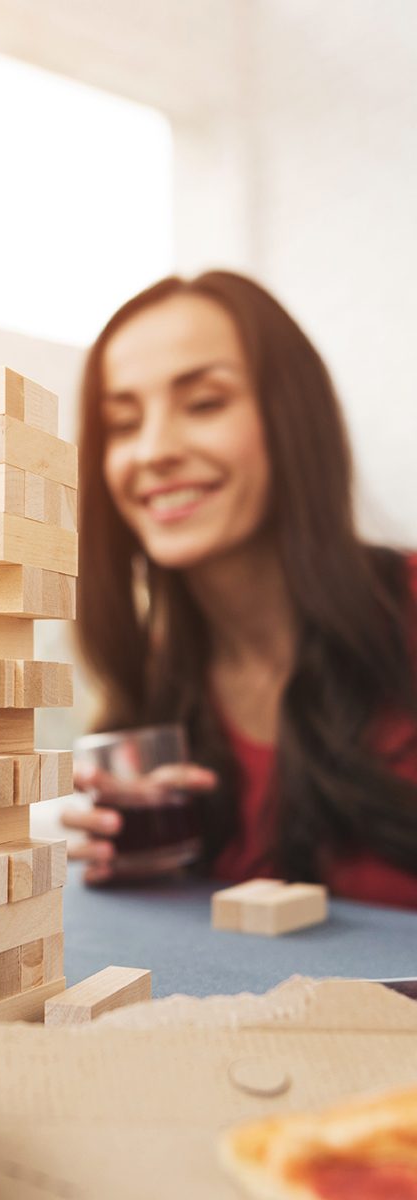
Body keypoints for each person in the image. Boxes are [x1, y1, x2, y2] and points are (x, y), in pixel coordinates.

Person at [62, 271, 417, 908]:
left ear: (292, 421)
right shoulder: (154, 697)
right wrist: (150, 876)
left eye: (204, 404)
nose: (154, 451)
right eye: (122, 423)